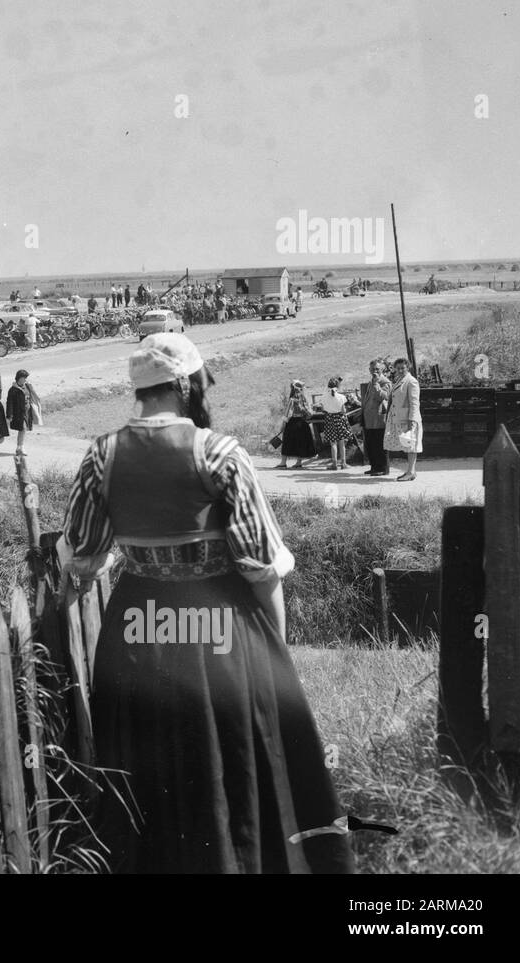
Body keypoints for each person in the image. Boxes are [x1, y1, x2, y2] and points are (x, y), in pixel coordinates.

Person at [57, 332, 354, 874]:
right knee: (229, 755)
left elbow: (81, 554)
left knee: (149, 766)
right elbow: (261, 567)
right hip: (219, 628)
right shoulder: (219, 453)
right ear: (188, 385)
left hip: (136, 630)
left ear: (140, 390)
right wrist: (275, 650)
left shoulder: (102, 455)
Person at [386, 357, 422, 481]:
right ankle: (410, 471)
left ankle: (411, 472)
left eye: (403, 368)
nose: (400, 370)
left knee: (410, 445)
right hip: (400, 418)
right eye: (398, 368)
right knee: (407, 445)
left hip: (408, 419)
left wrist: (412, 420)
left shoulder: (411, 381)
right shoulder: (399, 380)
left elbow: (414, 403)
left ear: (408, 367)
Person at [359, 360, 391, 476]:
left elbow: (384, 397)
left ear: (382, 369)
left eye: (377, 369)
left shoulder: (385, 382)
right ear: (369, 370)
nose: (375, 371)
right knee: (371, 444)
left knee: (380, 444)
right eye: (372, 369)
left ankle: (383, 468)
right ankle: (374, 467)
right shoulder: (370, 381)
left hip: (379, 419)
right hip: (369, 419)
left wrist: (377, 384)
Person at [275, 380, 317, 469]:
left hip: (293, 422)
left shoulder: (292, 399)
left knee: (287, 442)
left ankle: (283, 462)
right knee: (301, 442)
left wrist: (283, 425)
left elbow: (287, 413)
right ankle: (298, 462)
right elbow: (309, 411)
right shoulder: (304, 398)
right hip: (303, 423)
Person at [316, 376, 351, 470]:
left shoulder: (323, 397)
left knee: (333, 443)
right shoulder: (342, 397)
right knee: (342, 443)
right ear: (338, 386)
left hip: (329, 419)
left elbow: (323, 409)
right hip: (340, 419)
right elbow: (343, 410)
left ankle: (334, 464)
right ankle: (343, 464)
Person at [5, 368, 42, 456]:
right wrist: (9, 415)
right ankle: (20, 447)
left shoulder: (27, 387)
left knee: (24, 429)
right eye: (24, 378)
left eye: (26, 378)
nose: (25, 379)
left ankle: (19, 447)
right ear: (19, 378)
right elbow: (9, 403)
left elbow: (32, 396)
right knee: (23, 429)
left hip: (27, 412)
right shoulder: (13, 390)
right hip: (18, 413)